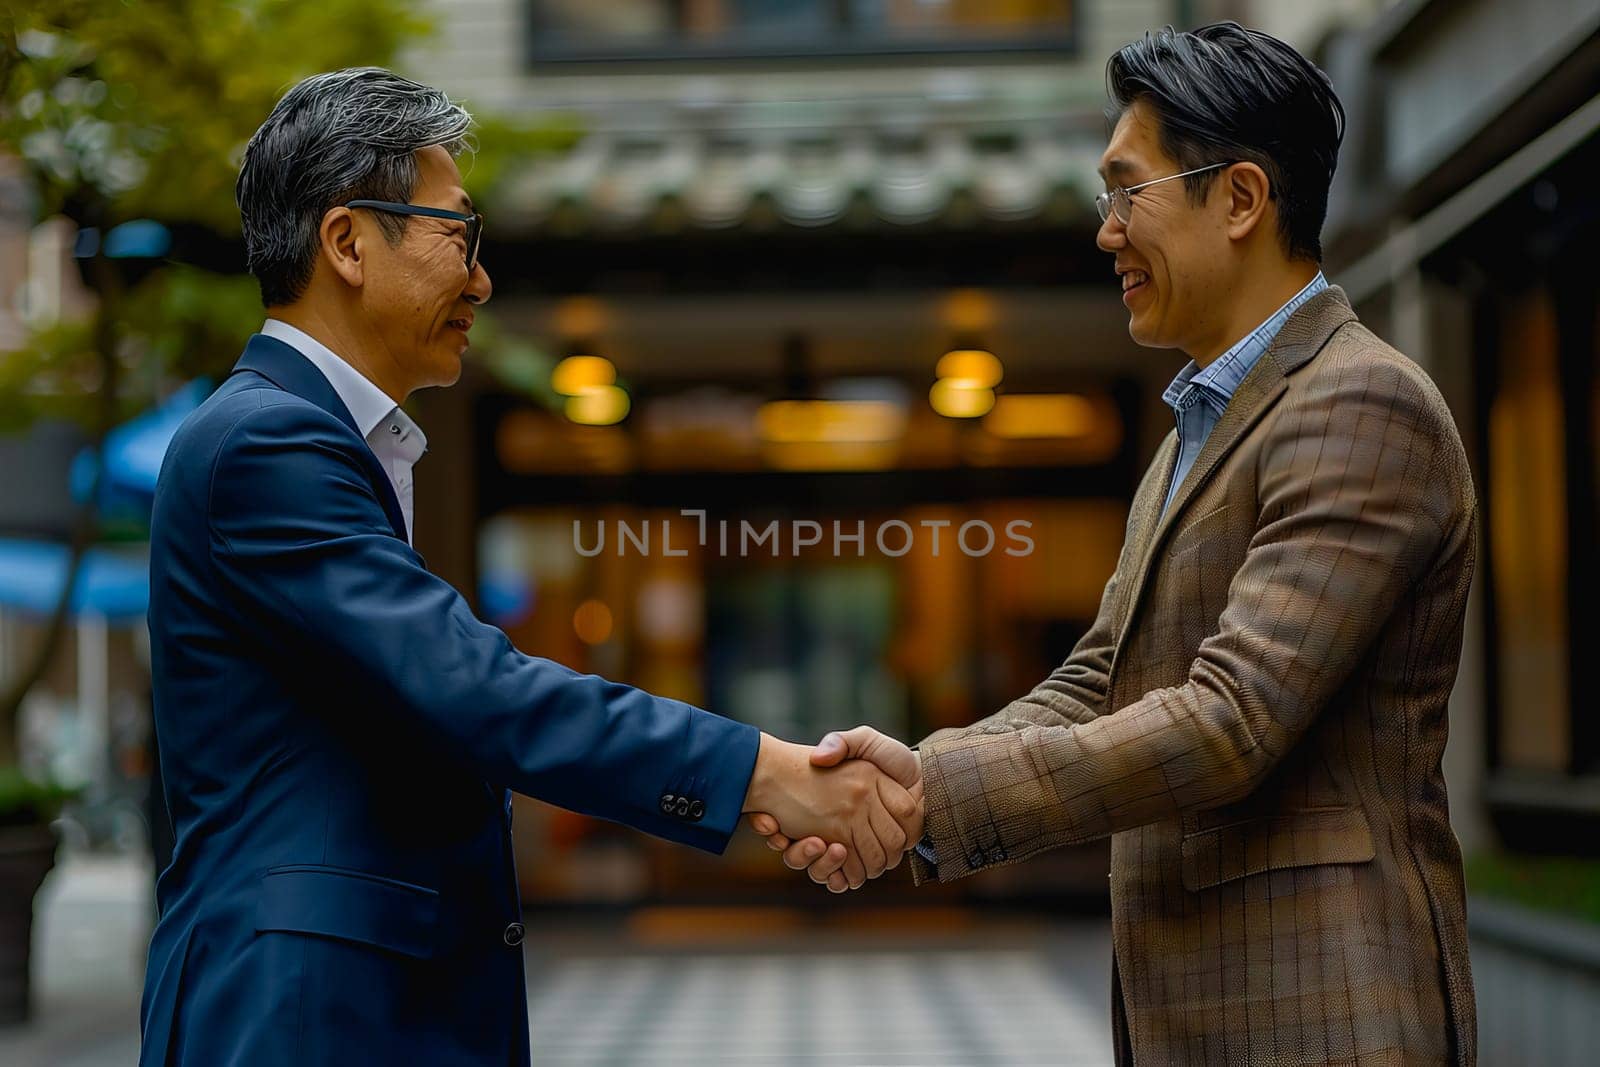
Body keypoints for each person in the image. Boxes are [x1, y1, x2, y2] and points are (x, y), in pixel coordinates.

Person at [138, 67, 920, 1067]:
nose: (481, 277)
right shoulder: (268, 444)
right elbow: (476, 691)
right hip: (301, 1013)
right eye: (458, 233)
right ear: (346, 241)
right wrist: (766, 772)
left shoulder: (309, 436)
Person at [757, 23, 1479, 1066]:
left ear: (1238, 199)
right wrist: (918, 770)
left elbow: (1231, 719)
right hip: (1202, 1007)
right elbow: (1099, 677)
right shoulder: (1199, 428)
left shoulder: (1358, 400)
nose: (1105, 232)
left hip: (1323, 1009)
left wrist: (930, 797)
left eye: (1125, 190)